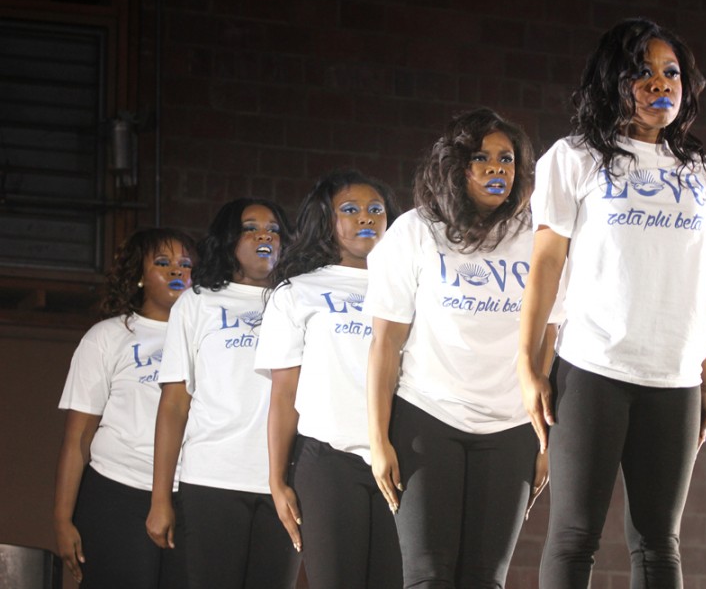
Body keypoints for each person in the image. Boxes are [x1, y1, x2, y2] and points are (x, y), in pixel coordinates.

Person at [517, 18, 706, 588]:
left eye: (671, 73)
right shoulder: (574, 158)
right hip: (595, 366)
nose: (659, 83)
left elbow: (699, 276)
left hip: (675, 377)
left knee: (660, 544)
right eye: (642, 72)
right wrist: (528, 363)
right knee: (574, 536)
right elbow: (545, 264)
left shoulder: (704, 175)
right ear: (613, 80)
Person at [366, 108, 560, 588]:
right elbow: (385, 343)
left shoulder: (537, 237)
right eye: (481, 157)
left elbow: (549, 340)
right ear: (456, 167)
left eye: (507, 159)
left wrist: (544, 441)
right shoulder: (415, 231)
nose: (497, 168)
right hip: (427, 418)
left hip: (511, 427)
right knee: (429, 576)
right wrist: (377, 440)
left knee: (484, 580)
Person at [256, 169, 403, 588]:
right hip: (328, 462)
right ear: (327, 220)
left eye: (376, 209)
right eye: (350, 210)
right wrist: (277, 478)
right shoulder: (296, 293)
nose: (366, 218)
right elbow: (284, 395)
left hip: (399, 459)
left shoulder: (411, 287)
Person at [146, 198, 302, 589]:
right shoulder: (197, 303)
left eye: (274, 229)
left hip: (285, 484)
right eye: (250, 227)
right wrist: (160, 497)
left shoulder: (298, 301)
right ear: (229, 239)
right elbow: (174, 404)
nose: (264, 234)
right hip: (212, 479)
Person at [54, 228, 195, 588]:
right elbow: (78, 438)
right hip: (118, 491)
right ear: (138, 276)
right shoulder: (109, 336)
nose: (177, 272)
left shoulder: (205, 336)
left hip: (190, 493)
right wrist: (62, 518)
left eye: (185, 264)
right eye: (163, 263)